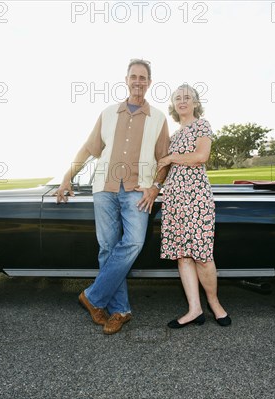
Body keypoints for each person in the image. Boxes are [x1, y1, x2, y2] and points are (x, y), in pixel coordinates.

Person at [56, 59, 170, 335]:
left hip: (138, 190)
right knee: (107, 248)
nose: (138, 82)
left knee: (133, 243)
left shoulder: (158, 118)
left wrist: (155, 187)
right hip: (104, 188)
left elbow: (164, 159)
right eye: (134, 76)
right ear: (126, 79)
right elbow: (88, 148)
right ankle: (120, 310)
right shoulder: (108, 113)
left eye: (143, 78)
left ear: (150, 82)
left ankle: (93, 296)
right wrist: (66, 177)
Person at [157, 84, 231, 329]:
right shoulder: (174, 135)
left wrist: (169, 158)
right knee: (183, 256)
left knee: (202, 254)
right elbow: (163, 169)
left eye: (187, 97)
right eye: (177, 97)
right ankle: (194, 309)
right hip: (174, 199)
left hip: (197, 198)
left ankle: (215, 304)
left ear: (196, 103)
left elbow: (200, 156)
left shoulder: (202, 125)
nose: (182, 101)